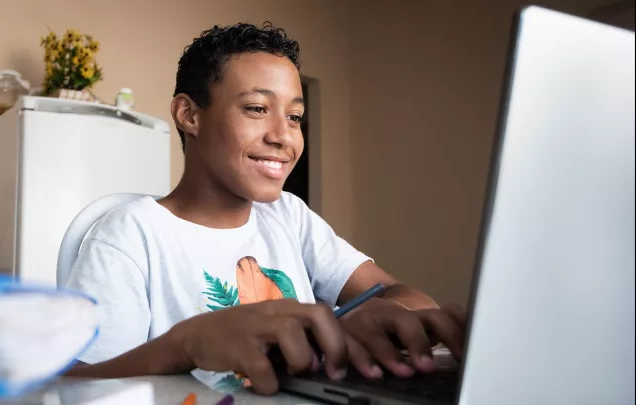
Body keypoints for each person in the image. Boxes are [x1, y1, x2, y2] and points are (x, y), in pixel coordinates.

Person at [64, 22, 466, 395]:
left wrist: (362, 320)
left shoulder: (289, 216)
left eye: (295, 117)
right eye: (257, 108)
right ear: (189, 115)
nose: (283, 136)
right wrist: (185, 345)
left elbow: (409, 297)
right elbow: (73, 387)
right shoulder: (130, 235)